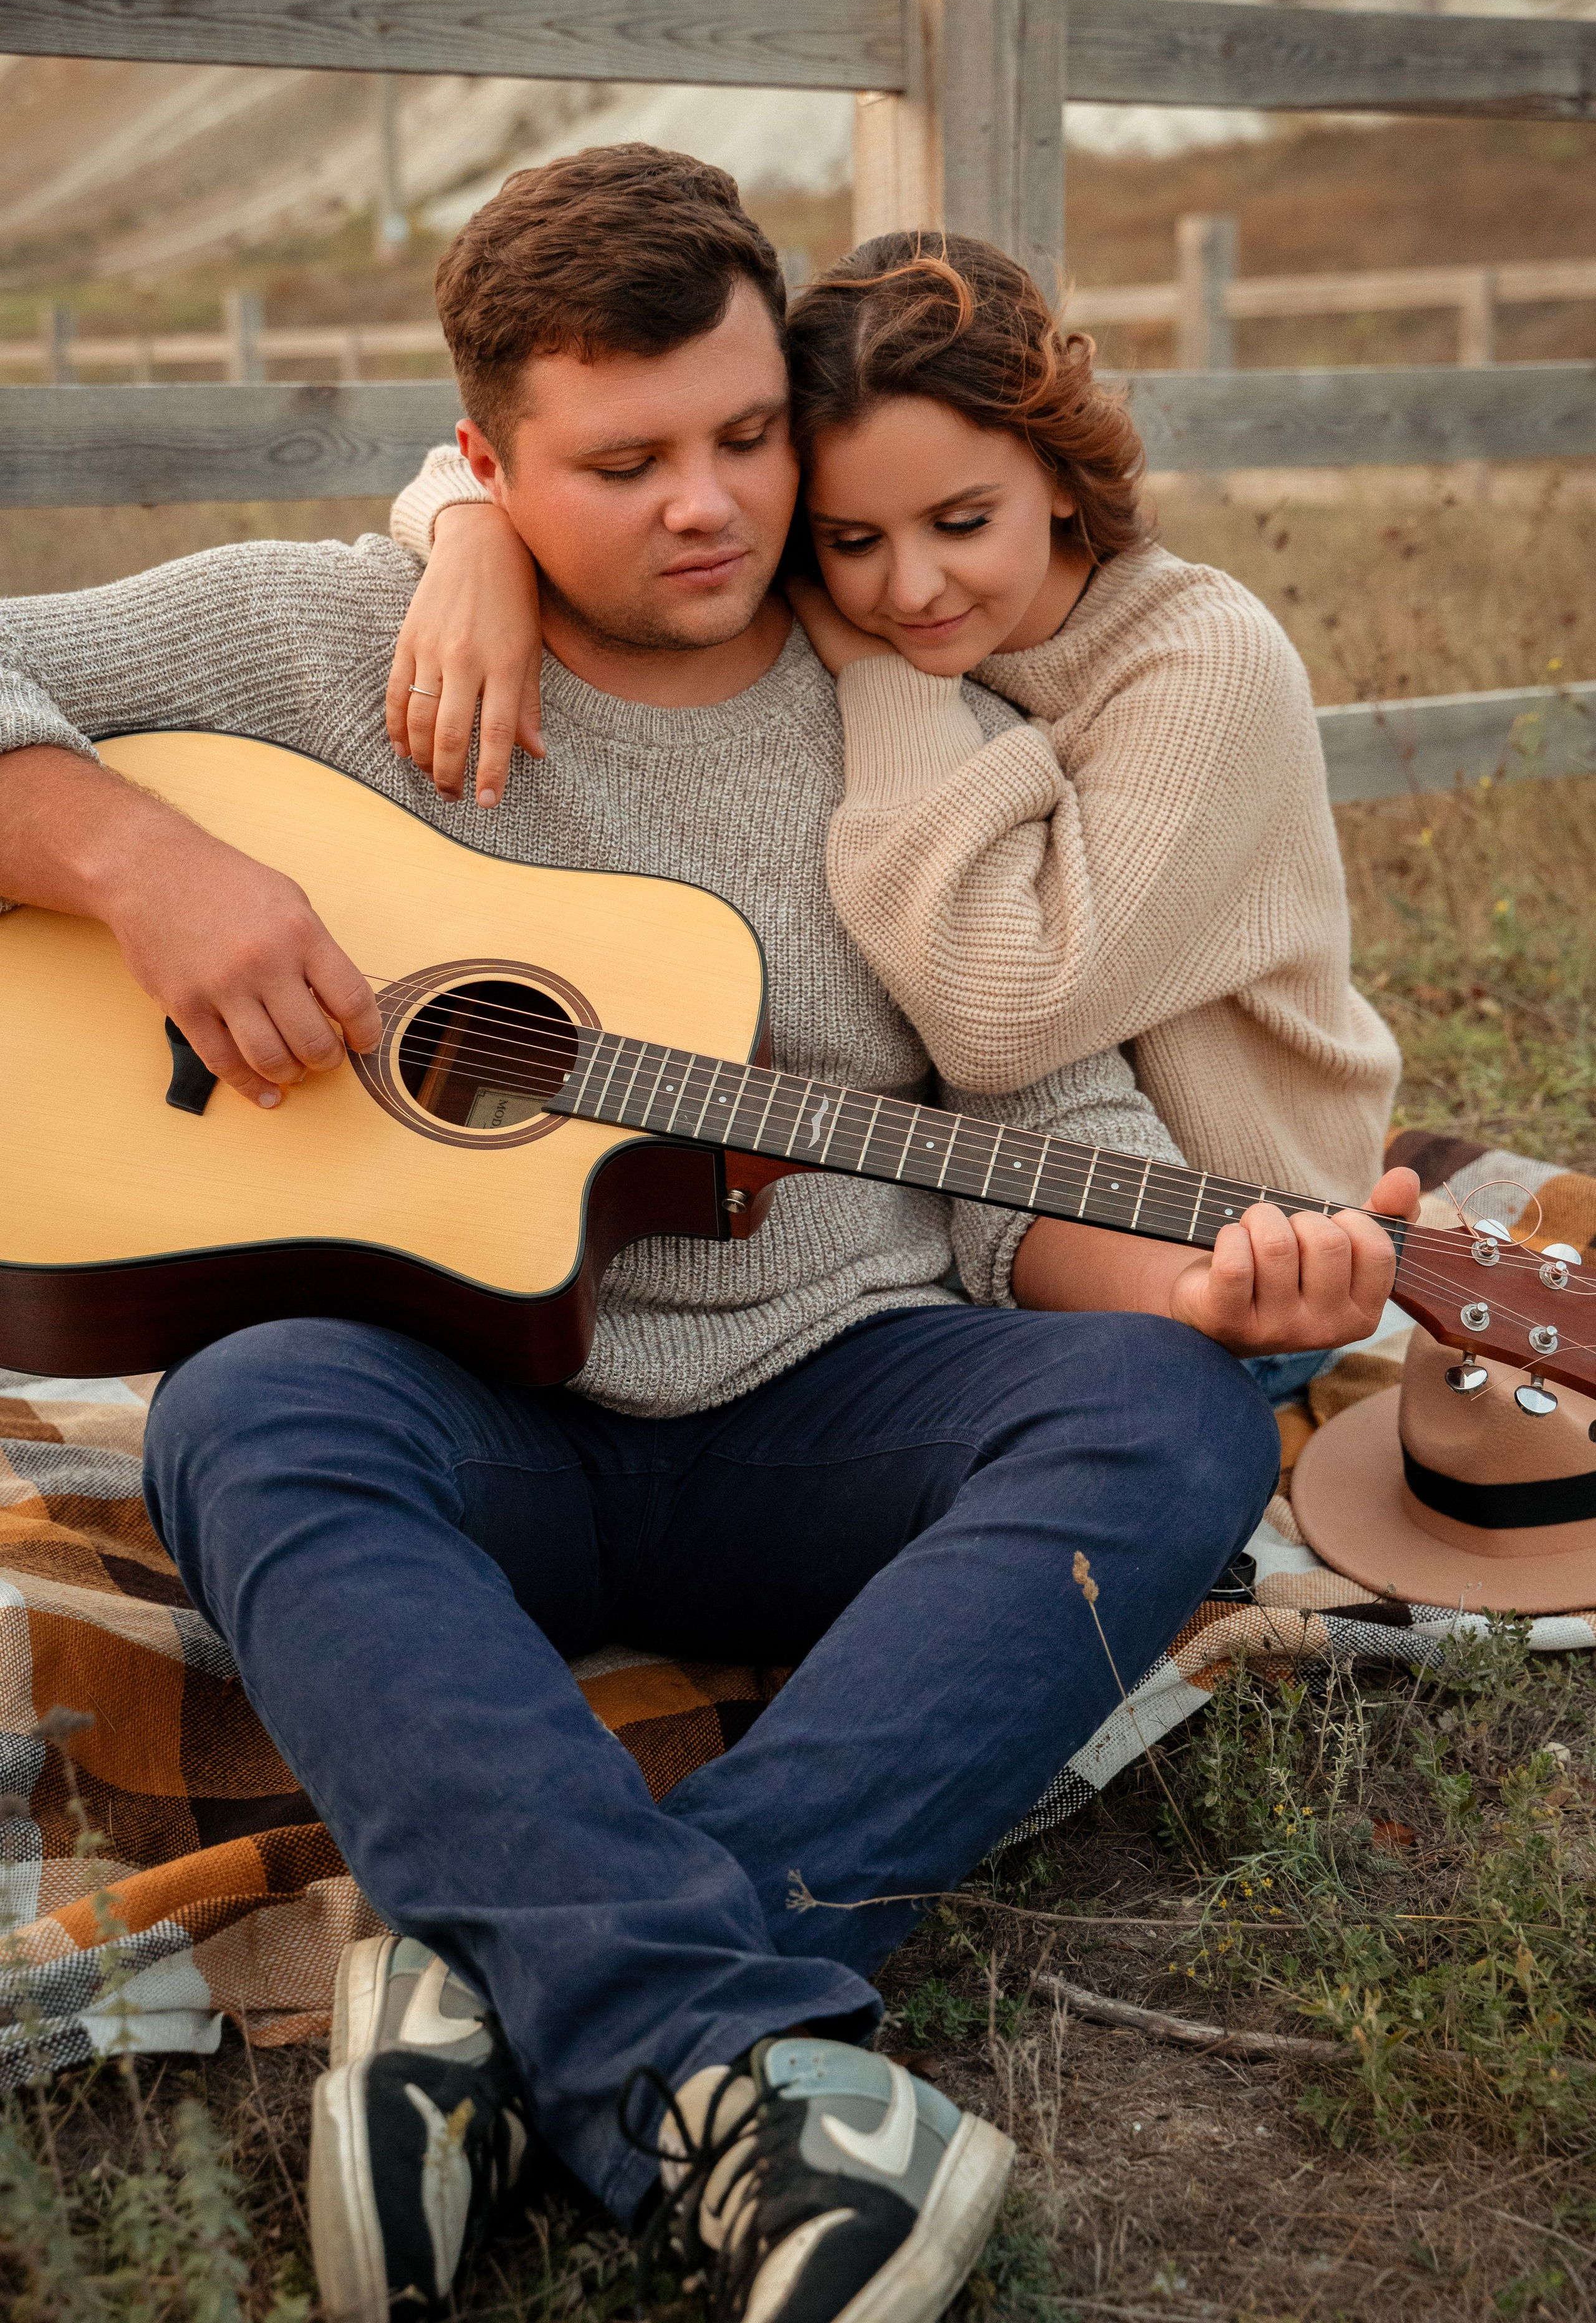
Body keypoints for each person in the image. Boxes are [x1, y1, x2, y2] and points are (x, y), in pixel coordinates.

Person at [0, 145, 1415, 2323]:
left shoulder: (908, 717)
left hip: (829, 1411)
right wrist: (134, 858)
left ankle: (527, 1988)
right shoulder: (312, 631)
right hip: (470, 1411)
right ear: (481, 459)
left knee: (1168, 1411)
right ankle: (725, 2059)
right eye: (623, 460)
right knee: (250, 1406)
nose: (712, 508)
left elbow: (1030, 1131)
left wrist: (1227, 1285)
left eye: (751, 438)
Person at [391, 233, 1400, 1225]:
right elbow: (525, 457)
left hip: (1232, 1227)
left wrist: (887, 680)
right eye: (853, 540)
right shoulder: (831, 566)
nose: (914, 588)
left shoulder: (1201, 667)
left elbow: (1002, 1019)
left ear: (1056, 472)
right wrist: (471, 537)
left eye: (963, 523)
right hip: (1004, 1214)